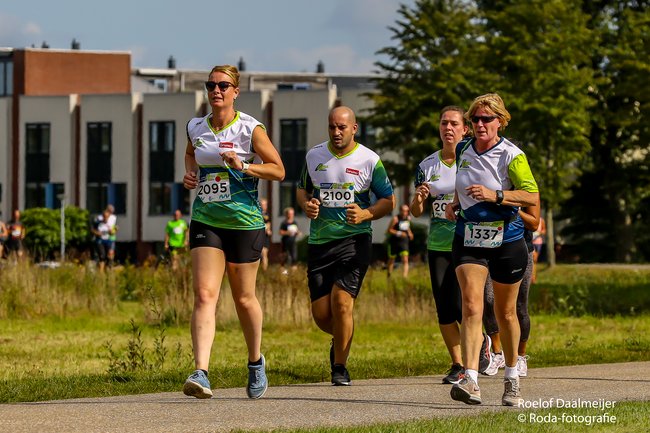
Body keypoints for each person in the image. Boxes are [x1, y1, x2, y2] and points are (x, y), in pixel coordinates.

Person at [181, 64, 285, 400]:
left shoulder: (250, 129)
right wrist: (190, 174)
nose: (216, 91)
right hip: (206, 220)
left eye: (224, 85)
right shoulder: (196, 126)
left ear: (235, 91)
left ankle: (255, 361)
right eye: (211, 85)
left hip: (244, 223)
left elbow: (278, 170)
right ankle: (201, 371)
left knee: (243, 298)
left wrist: (245, 165)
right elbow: (190, 154)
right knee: (204, 294)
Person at [445, 93, 538, 406]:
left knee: (506, 312)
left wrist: (495, 195)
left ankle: (512, 377)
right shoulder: (462, 149)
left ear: (500, 122)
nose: (481, 124)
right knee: (471, 305)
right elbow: (464, 180)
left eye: (487, 119)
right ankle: (471, 379)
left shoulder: (512, 154)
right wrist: (457, 203)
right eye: (476, 119)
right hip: (469, 236)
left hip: (508, 239)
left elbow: (531, 197)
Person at [297, 106, 395, 386]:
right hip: (320, 243)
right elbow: (301, 188)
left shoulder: (369, 160)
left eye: (342, 127)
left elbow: (388, 200)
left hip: (355, 240)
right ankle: (341, 337)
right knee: (321, 315)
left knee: (342, 304)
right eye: (332, 127)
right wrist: (307, 204)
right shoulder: (314, 156)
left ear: (354, 128)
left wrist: (366, 213)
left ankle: (340, 367)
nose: (336, 132)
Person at [411, 106, 468, 384]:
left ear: (464, 129)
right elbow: (415, 211)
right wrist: (420, 199)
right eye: (444, 123)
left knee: (462, 305)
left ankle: (480, 349)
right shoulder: (426, 165)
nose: (448, 128)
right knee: (444, 308)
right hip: (438, 244)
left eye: (454, 123)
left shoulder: (472, 161)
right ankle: (457, 364)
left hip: (468, 241)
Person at [482, 199, 540, 378]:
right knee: (488, 300)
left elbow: (534, 223)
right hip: (490, 247)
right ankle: (498, 353)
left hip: (521, 249)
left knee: (520, 306)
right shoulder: (487, 183)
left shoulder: (525, 187)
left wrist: (513, 209)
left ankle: (520, 356)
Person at [386, 204, 414, 277]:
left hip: (404, 242)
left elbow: (407, 227)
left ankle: (404, 277)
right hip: (394, 242)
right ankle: (389, 275)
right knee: (392, 259)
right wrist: (399, 233)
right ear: (400, 211)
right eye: (404, 211)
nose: (405, 213)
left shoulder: (408, 218)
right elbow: (389, 230)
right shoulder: (395, 219)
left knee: (405, 260)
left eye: (407, 211)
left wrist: (410, 233)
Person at [279, 206, 301, 274]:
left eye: (293, 213)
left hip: (293, 243)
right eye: (290, 214)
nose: (292, 215)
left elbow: (297, 231)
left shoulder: (294, 222)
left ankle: (294, 275)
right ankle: (283, 274)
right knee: (285, 258)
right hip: (285, 243)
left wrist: (298, 233)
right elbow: (280, 232)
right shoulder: (284, 223)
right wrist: (287, 233)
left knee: (294, 258)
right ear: (286, 214)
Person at [531, 216, 546, 283]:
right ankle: (532, 278)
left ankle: (533, 277)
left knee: (535, 260)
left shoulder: (541, 220)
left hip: (538, 243)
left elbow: (544, 230)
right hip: (530, 242)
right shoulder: (529, 218)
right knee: (533, 258)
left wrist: (539, 233)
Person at [260, 198, 272, 271]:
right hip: (259, 236)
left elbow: (268, 223)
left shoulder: (267, 214)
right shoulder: (257, 213)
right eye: (262, 205)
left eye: (265, 205)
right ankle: (262, 270)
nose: (264, 206)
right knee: (261, 254)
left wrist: (268, 230)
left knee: (265, 254)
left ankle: (264, 271)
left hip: (265, 237)